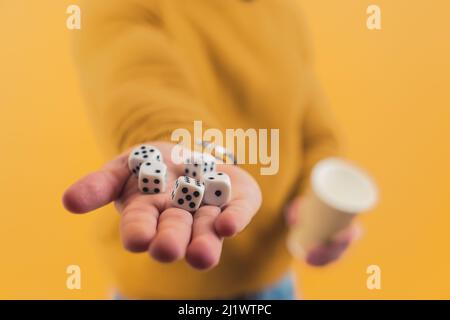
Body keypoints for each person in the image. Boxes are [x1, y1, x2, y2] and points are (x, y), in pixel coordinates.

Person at [63, 0, 357, 300]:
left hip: (275, 280)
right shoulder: (123, 7)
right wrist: (178, 145)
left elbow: (316, 133)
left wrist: (317, 202)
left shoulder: (284, 12)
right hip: (165, 287)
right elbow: (140, 83)